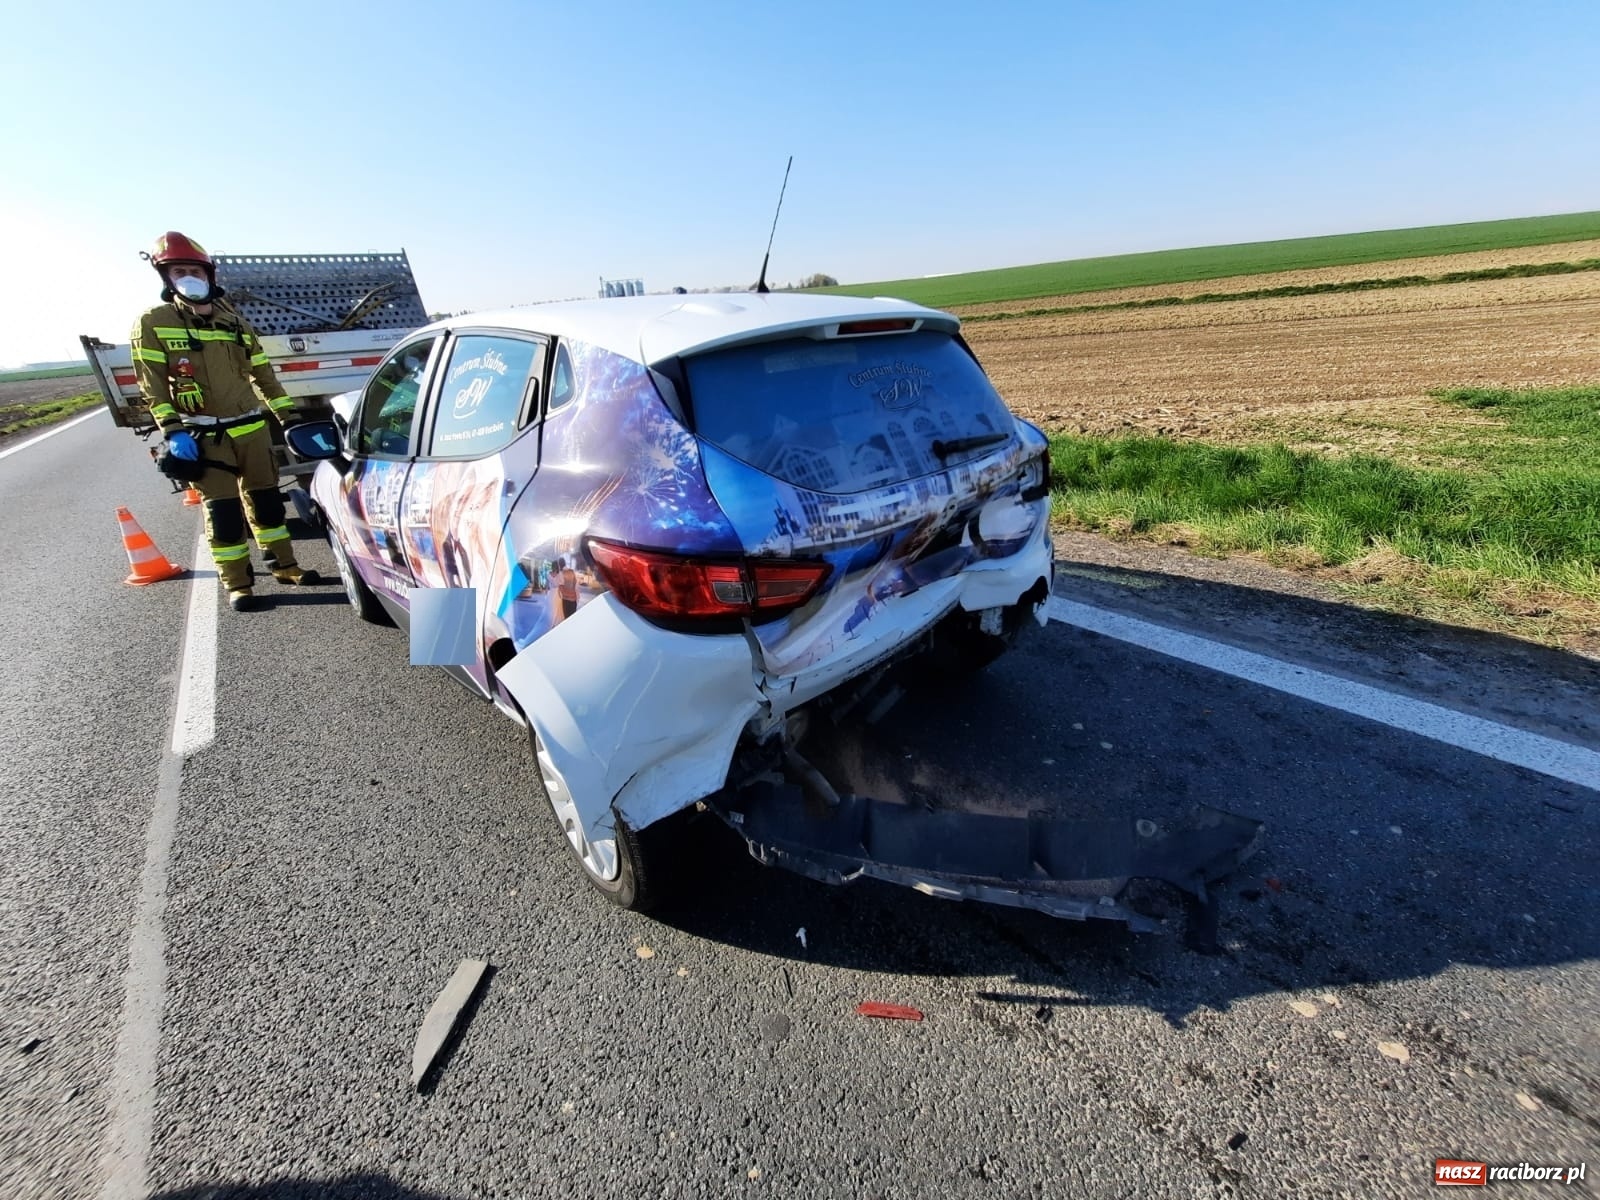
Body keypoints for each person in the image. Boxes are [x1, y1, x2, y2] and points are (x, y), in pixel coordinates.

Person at [131, 232, 320, 611]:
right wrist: (173, 431)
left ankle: (285, 566)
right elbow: (152, 385)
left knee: (267, 505)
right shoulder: (153, 323)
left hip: (251, 430)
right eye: (178, 272)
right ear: (166, 279)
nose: (188, 278)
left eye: (194, 271)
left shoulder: (233, 322)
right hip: (203, 436)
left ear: (209, 275)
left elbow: (263, 375)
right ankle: (239, 585)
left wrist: (288, 418)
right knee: (223, 513)